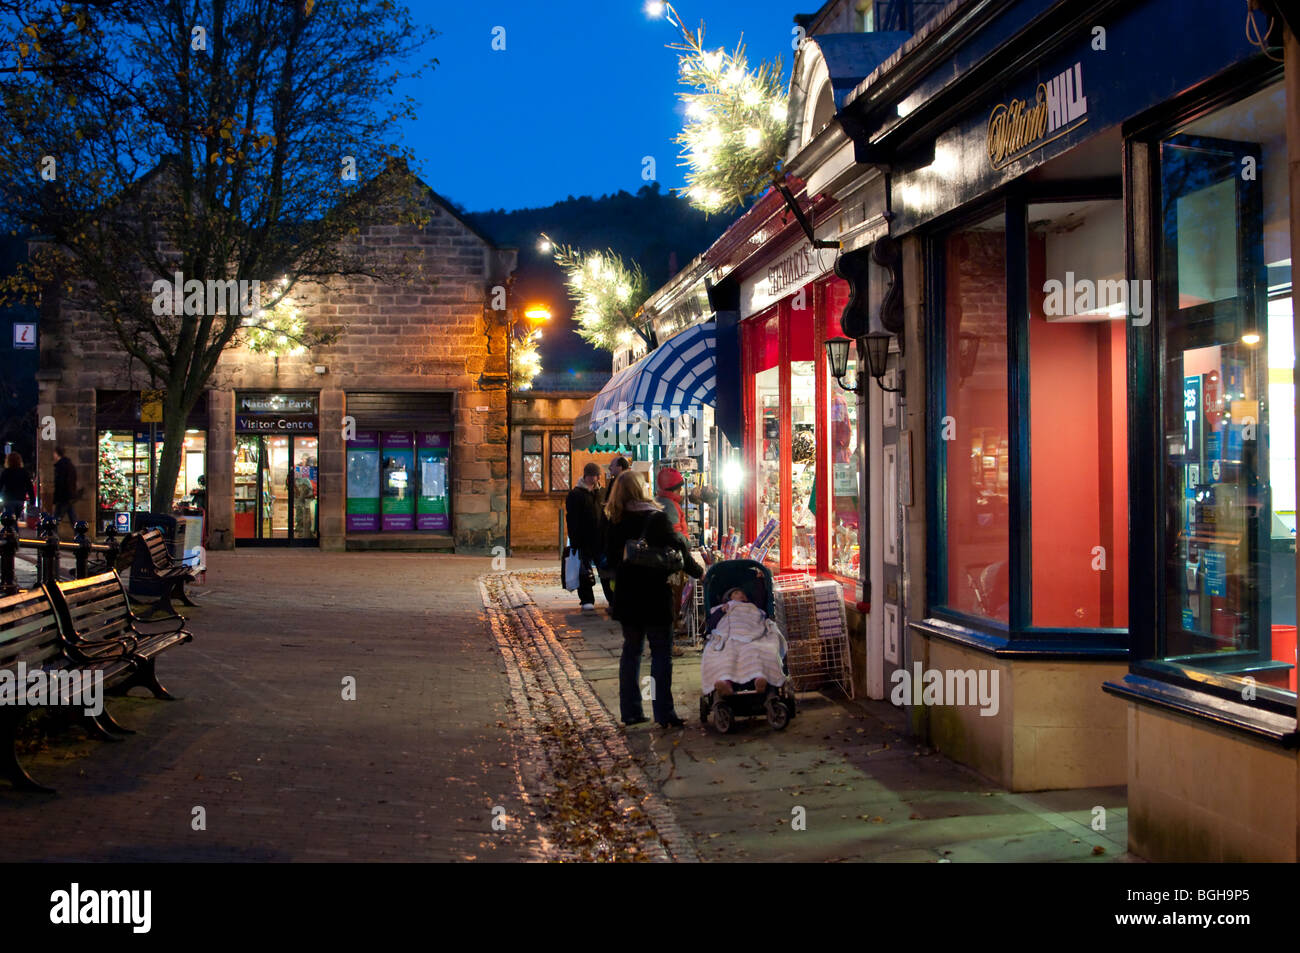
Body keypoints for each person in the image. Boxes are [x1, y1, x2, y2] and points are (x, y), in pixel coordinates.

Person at [603, 469, 701, 728]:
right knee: (660, 654)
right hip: (654, 595)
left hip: (627, 595)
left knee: (631, 652)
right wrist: (698, 572)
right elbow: (678, 547)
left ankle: (631, 712)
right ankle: (664, 713)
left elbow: (609, 559)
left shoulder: (615, 519)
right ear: (641, 489)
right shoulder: (656, 517)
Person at [701, 586, 787, 698]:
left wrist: (760, 581)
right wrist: (721, 612)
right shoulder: (721, 608)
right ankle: (725, 682)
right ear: (729, 597)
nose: (741, 595)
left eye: (743, 594)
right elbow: (711, 625)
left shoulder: (752, 607)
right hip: (729, 636)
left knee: (755, 650)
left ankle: (760, 678)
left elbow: (760, 615)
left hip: (751, 634)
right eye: (737, 593)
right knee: (727, 652)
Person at [564, 462, 602, 611]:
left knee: (603, 568)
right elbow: (572, 518)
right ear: (587, 476)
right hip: (583, 538)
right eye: (594, 475)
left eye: (598, 475)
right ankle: (587, 599)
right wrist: (574, 539)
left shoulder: (600, 492)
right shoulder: (576, 494)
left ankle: (611, 597)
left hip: (599, 538)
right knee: (584, 570)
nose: (597, 478)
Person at [595, 456, 631, 611]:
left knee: (614, 573)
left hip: (618, 538)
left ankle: (617, 603)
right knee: (612, 573)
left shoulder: (621, 484)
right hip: (614, 537)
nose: (609, 469)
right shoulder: (615, 482)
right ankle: (616, 602)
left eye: (612, 466)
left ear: (620, 467)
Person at [0, 452, 34, 520]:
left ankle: (11, 527)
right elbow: (29, 487)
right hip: (20, 499)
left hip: (8, 499)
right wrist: (32, 500)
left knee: (9, 518)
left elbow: (0, 485)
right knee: (16, 517)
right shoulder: (24, 472)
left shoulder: (6, 472)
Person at [52, 445, 79, 529]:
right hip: (68, 495)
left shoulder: (61, 466)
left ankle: (51, 533)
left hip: (63, 496)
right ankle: (79, 533)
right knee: (72, 516)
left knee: (56, 517)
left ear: (57, 454)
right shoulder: (69, 465)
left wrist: (57, 497)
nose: (53, 455)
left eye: (54, 453)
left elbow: (60, 482)